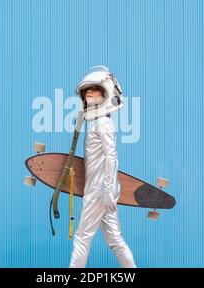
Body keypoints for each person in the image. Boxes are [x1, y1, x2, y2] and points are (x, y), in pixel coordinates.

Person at [69, 66, 136, 268]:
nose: (89, 92)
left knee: (82, 238)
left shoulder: (103, 124)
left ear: (106, 92)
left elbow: (111, 157)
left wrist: (107, 190)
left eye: (95, 88)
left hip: (99, 191)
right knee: (115, 240)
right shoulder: (97, 123)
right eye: (86, 90)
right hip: (103, 190)